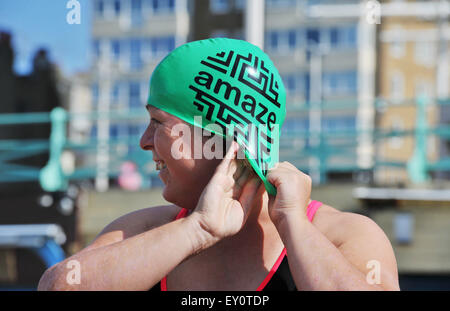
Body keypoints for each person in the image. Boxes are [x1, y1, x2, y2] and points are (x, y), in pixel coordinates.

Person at [38, 38, 400, 291]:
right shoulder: (145, 230)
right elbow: (58, 286)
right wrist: (196, 231)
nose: (144, 141)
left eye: (158, 122)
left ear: (215, 134)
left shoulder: (343, 235)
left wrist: (294, 225)